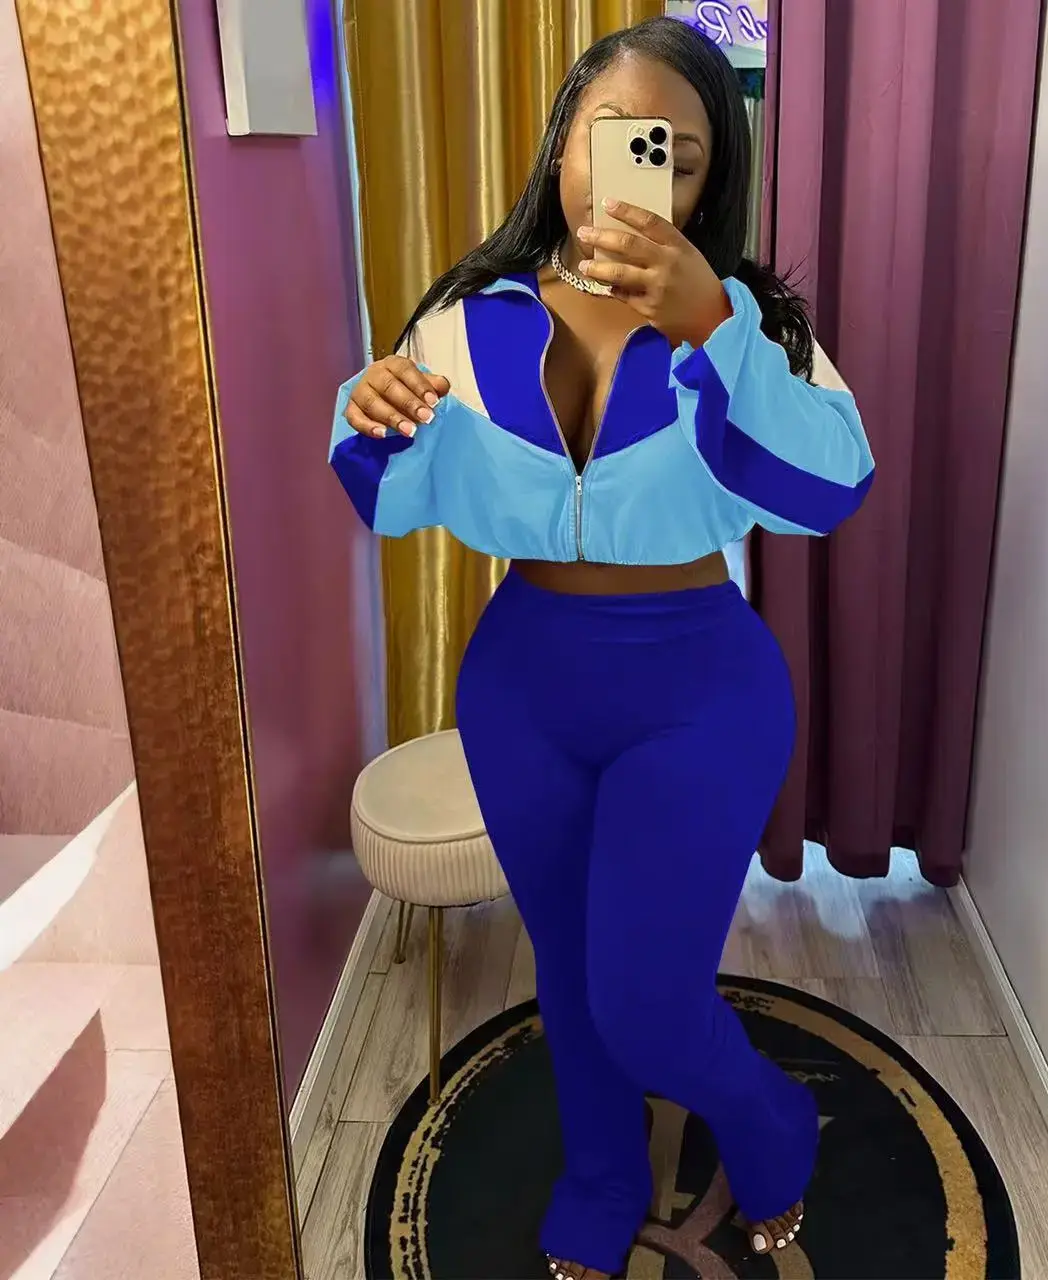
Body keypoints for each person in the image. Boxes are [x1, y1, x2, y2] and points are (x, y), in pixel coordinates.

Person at [329, 16, 873, 1279]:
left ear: (707, 181)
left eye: (676, 153)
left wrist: (713, 328)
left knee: (647, 998)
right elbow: (391, 496)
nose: (639, 167)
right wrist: (365, 414)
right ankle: (601, 1170)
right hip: (524, 679)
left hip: (699, 687)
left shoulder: (751, 321)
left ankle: (768, 1118)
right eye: (614, 134)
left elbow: (826, 487)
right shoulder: (468, 316)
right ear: (562, 143)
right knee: (570, 974)